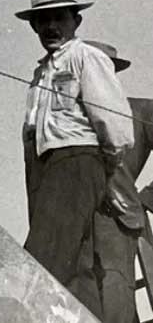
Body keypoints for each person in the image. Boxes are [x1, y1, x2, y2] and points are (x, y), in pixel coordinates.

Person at [17, 0, 134, 318]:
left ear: (75, 21)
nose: (51, 26)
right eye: (43, 20)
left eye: (59, 18)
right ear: (34, 26)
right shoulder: (40, 72)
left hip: (78, 161)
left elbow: (115, 125)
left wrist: (100, 167)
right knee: (76, 272)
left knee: (40, 260)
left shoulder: (87, 57)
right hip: (48, 169)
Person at [82, 42, 143, 323]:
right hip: (73, 220)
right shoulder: (64, 117)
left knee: (115, 292)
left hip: (116, 220)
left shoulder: (140, 111)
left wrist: (147, 197)